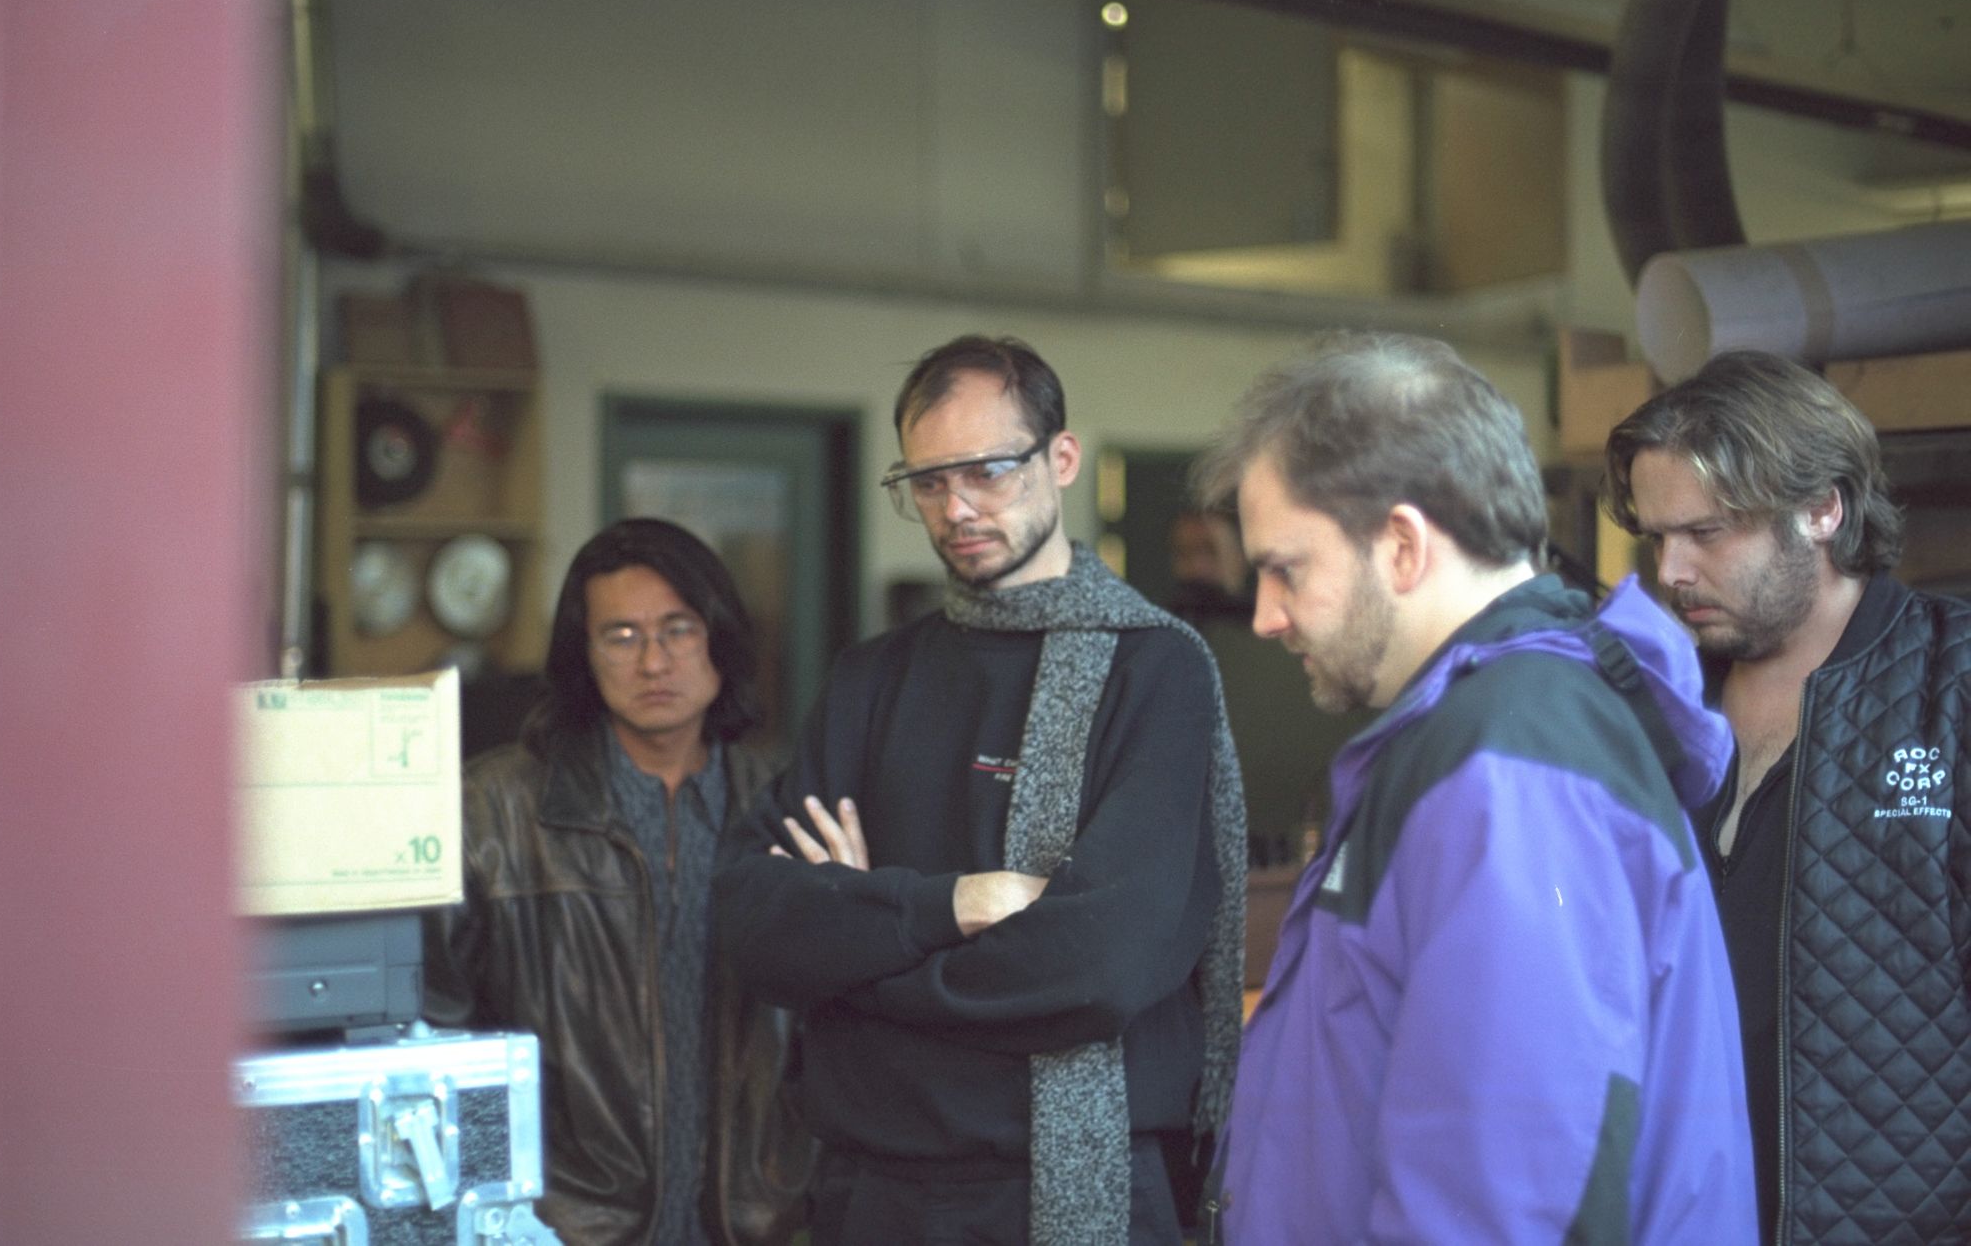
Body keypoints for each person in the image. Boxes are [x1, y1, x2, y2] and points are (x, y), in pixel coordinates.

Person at [1200, 331, 1756, 1244]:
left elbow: (1505, 1197)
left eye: (1285, 568)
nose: (1263, 614)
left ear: (1404, 545)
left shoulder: (1513, 763)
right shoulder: (1478, 738)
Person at [713, 334, 1246, 1245]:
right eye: (926, 482)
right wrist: (949, 904)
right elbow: (751, 921)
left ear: (1061, 458)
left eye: (989, 471)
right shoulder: (869, 679)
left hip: (1074, 1191)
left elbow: (1098, 967)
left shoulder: (1152, 669)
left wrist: (856, 952)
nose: (956, 507)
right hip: (867, 1192)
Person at [1606, 350, 1971, 1245]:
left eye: (1708, 531)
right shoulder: (1645, 705)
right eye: (1657, 537)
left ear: (1823, 508)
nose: (1674, 571)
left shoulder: (1950, 680)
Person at [424, 518, 813, 1246]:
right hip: (557, 1225)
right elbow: (432, 1034)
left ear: (719, 639)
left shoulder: (788, 805)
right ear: (586, 656)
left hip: (750, 1222)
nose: (654, 661)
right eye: (622, 635)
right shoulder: (494, 809)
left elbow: (833, 1031)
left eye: (678, 628)